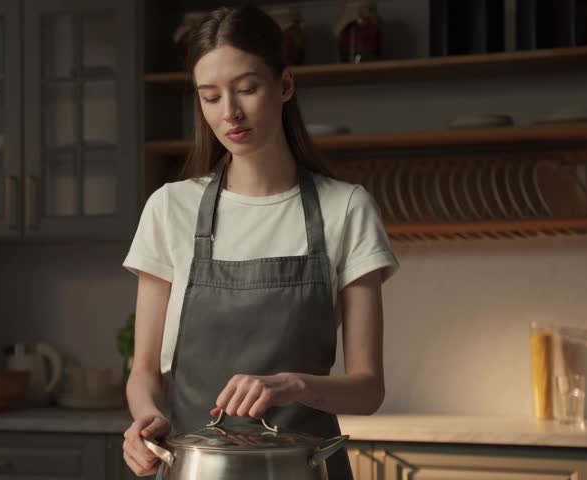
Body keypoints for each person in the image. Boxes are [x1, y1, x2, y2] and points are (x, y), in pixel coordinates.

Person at [121, 5, 399, 479]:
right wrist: (145, 419)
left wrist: (292, 385)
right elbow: (144, 369)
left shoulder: (347, 209)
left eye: (247, 89)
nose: (229, 113)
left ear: (285, 85)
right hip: (196, 469)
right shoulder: (170, 209)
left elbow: (367, 389)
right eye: (210, 97)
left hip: (303, 471)